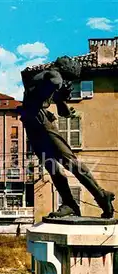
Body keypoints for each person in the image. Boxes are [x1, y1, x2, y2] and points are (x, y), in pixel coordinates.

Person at [20, 56, 115, 218]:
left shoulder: (50, 78)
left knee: (68, 162)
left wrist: (60, 94)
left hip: (39, 121)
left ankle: (100, 195)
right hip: (34, 122)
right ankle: (70, 203)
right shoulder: (50, 74)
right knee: (54, 166)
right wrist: (60, 92)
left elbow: (60, 100)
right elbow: (57, 89)